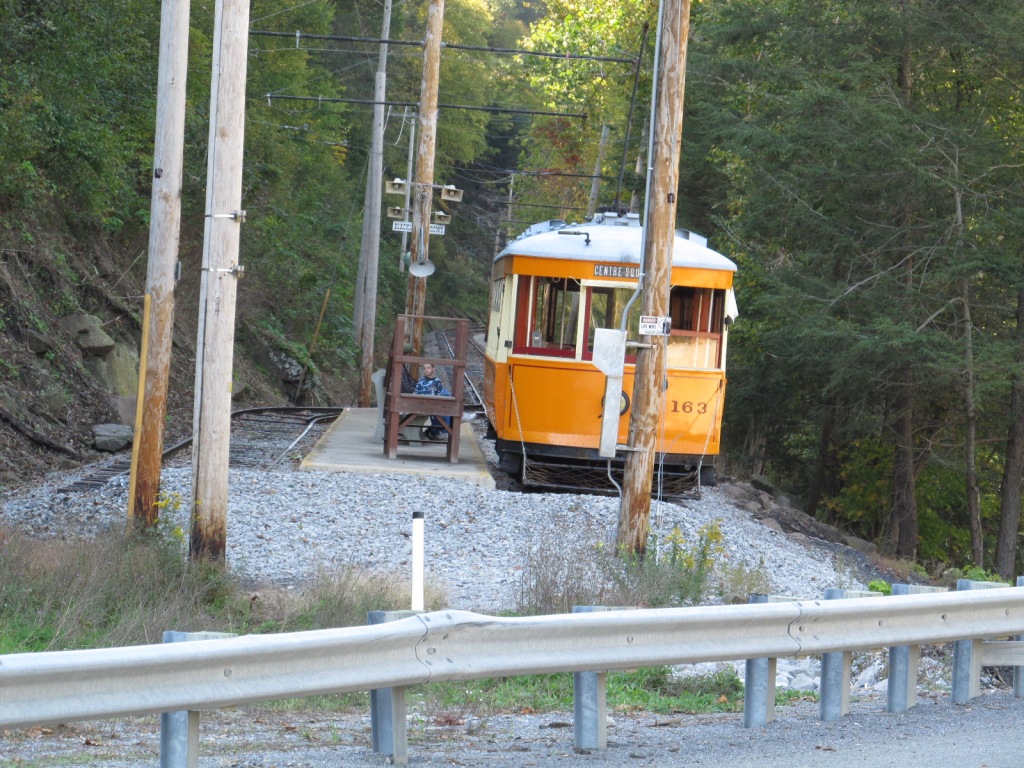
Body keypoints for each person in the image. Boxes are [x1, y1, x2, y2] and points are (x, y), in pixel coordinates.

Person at [415, 362, 452, 440]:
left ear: (433, 369)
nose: (426, 370)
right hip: (425, 404)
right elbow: (417, 393)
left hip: (434, 403)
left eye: (428, 368)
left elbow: (439, 393)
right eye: (424, 368)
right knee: (442, 413)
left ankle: (437, 431)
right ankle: (436, 431)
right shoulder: (421, 381)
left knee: (446, 411)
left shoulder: (437, 381)